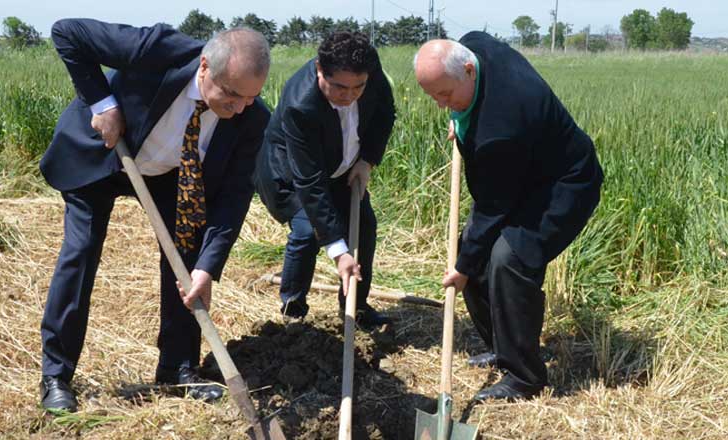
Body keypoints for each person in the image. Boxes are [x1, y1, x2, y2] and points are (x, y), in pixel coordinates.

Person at [38, 18, 271, 412]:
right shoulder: (158, 48)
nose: (238, 107)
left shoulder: (252, 118)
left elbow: (233, 198)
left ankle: (177, 369)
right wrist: (103, 104)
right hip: (106, 151)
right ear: (203, 68)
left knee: (185, 257)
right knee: (81, 253)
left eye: (249, 98)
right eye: (231, 95)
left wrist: (208, 268)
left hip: (168, 172)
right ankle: (56, 376)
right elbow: (67, 33)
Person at [414, 32, 603, 401]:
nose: (441, 105)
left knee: (507, 259)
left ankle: (525, 376)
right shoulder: (474, 46)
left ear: (468, 70)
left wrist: (464, 266)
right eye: (434, 96)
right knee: (473, 251)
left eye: (446, 95)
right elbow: (494, 198)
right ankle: (505, 348)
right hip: (524, 173)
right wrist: (460, 116)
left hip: (564, 184)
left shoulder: (502, 126)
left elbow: (493, 207)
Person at [255, 31, 395, 328]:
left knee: (364, 226)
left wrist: (367, 160)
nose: (350, 95)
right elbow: (310, 182)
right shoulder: (300, 106)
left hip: (344, 164)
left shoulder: (368, 71)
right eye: (340, 88)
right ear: (320, 70)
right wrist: (338, 251)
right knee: (308, 232)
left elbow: (385, 113)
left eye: (358, 87)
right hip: (292, 172)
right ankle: (293, 310)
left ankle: (355, 307)